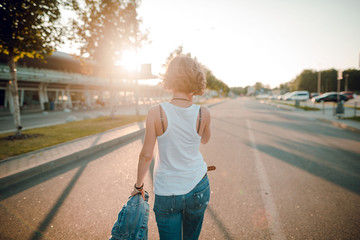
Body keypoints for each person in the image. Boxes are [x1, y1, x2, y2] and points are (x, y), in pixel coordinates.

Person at [131, 55, 212, 239]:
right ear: (196, 79)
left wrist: (138, 186)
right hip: (198, 187)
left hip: (167, 191)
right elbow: (205, 139)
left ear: (169, 78)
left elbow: (146, 154)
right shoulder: (203, 113)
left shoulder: (156, 112)